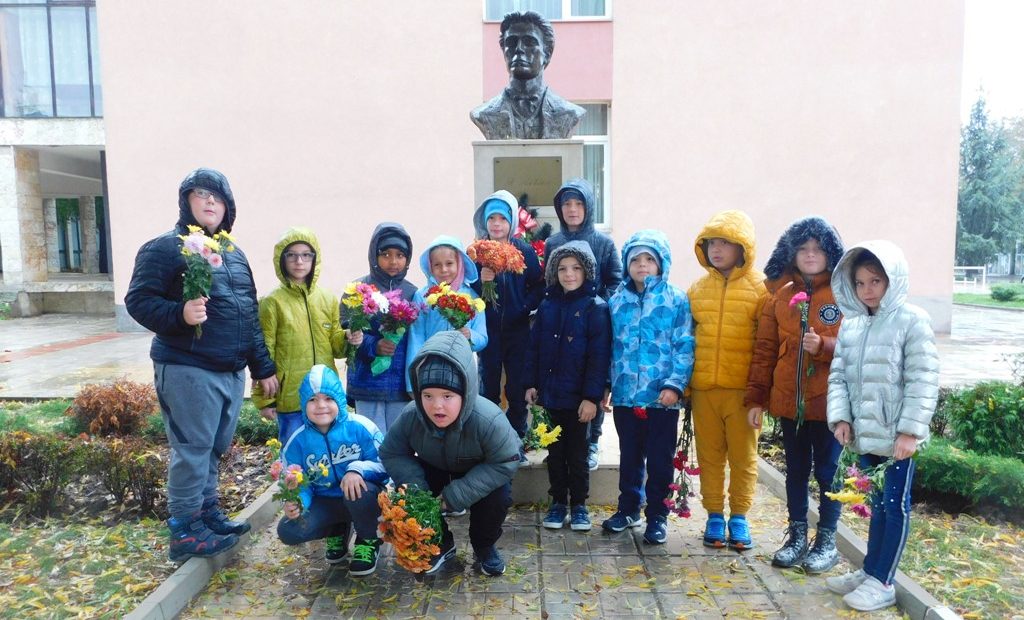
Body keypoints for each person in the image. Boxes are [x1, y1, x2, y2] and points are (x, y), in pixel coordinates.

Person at [125, 167, 278, 562]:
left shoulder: (234, 254)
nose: (210, 201)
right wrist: (179, 314)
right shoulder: (166, 247)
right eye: (201, 194)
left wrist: (262, 367)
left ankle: (206, 514)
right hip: (187, 367)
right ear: (186, 202)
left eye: (218, 196)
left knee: (212, 449)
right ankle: (185, 529)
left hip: (229, 370)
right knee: (193, 449)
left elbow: (247, 314)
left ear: (228, 207)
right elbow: (138, 301)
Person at [825, 241, 939, 612]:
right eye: (859, 283)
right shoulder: (852, 324)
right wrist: (841, 418)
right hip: (865, 435)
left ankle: (884, 581)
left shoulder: (912, 320)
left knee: (894, 506)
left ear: (892, 280)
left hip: (897, 438)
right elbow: (838, 376)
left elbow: (923, 378)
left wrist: (910, 431)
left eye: (875, 281)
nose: (867, 290)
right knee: (877, 505)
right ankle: (871, 570)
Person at [745, 217, 845, 572]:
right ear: (791, 253)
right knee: (796, 471)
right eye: (803, 248)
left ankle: (827, 540)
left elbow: (858, 345)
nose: (810, 255)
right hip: (790, 403)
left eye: (818, 248)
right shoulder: (780, 296)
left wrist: (825, 346)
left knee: (829, 473)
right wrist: (756, 399)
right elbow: (764, 350)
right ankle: (798, 536)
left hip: (831, 405)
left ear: (830, 253)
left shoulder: (844, 295)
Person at [380, 331, 521, 576]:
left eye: (447, 396)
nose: (437, 405)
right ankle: (440, 542)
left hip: (478, 471)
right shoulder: (411, 416)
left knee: (497, 498)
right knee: (408, 496)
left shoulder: (488, 419)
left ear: (465, 393)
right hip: (433, 469)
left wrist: (456, 495)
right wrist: (417, 488)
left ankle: (484, 547)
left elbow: (506, 460)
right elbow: (392, 452)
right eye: (428, 396)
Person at [601, 230, 694, 545]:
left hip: (661, 398)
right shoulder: (617, 301)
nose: (642, 265)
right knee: (629, 455)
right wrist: (607, 385)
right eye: (636, 260)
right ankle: (628, 509)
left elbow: (684, 345)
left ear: (661, 263)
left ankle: (657, 515)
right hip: (626, 395)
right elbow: (609, 347)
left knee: (659, 459)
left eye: (649, 259)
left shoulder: (676, 299)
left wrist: (675, 385)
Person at [687, 210, 767, 551]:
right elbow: (687, 340)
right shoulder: (696, 290)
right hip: (704, 389)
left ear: (742, 247)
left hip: (742, 393)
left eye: (725, 243)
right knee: (709, 457)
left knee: (743, 457)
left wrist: (760, 394)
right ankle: (715, 515)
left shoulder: (760, 290)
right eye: (711, 243)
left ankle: (740, 516)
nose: (716, 250)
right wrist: (686, 387)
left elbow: (766, 345)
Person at [525, 241, 611, 532]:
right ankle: (558, 502)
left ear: (587, 271)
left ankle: (579, 506)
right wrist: (531, 384)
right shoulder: (547, 306)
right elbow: (534, 349)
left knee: (577, 454)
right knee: (555, 453)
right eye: (562, 268)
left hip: (579, 401)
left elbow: (599, 357)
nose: (569, 274)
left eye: (576, 268)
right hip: (550, 396)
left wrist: (591, 397)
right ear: (554, 272)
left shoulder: (595, 308)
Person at [277, 365, 388, 575]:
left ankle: (367, 539)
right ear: (303, 403)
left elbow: (385, 464)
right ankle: (337, 529)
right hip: (326, 501)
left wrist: (357, 469)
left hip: (363, 497)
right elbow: (295, 480)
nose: (321, 406)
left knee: (358, 492)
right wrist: (298, 501)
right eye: (312, 399)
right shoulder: (297, 441)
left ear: (339, 399)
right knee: (289, 530)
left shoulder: (361, 427)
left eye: (328, 398)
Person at [544, 178, 623, 470]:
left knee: (593, 379)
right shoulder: (553, 243)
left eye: (579, 203)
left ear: (588, 207)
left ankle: (592, 442)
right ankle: (558, 442)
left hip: (593, 320)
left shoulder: (604, 243)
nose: (573, 209)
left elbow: (615, 280)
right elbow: (549, 280)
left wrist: (598, 305)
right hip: (561, 320)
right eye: (567, 204)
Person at [253, 227, 358, 443]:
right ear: (281, 259)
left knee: (331, 449)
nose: (299, 261)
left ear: (314, 259)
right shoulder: (272, 302)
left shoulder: (327, 299)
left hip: (325, 397)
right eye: (291, 255)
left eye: (306, 255)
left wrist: (348, 338)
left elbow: (336, 347)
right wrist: (265, 400)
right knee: (295, 452)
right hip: (291, 398)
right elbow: (264, 351)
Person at [472, 190, 545, 463]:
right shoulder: (478, 252)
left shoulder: (523, 251)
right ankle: (490, 442)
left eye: (502, 218)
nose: (497, 224)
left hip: (518, 331)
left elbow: (538, 285)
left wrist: (524, 307)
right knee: (488, 386)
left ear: (511, 221)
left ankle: (516, 440)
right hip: (489, 331)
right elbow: (469, 290)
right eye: (492, 218)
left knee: (516, 387)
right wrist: (482, 282)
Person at [344, 222, 418, 433]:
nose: (393, 261)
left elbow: (416, 339)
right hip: (367, 383)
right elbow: (346, 334)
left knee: (398, 442)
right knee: (370, 439)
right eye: (385, 254)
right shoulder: (357, 291)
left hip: (400, 387)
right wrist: (373, 345)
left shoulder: (413, 293)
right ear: (374, 255)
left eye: (400, 255)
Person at [470, 11, 585, 139]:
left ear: (547, 54)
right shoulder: (484, 113)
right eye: (511, 43)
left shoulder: (569, 113)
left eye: (529, 42)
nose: (519, 49)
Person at [405, 235, 488, 392]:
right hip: (430, 368)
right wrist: (412, 383)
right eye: (437, 265)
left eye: (449, 263)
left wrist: (470, 334)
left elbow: (483, 338)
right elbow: (416, 338)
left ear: (460, 264)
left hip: (462, 368)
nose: (443, 270)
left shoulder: (472, 297)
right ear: (430, 267)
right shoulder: (422, 296)